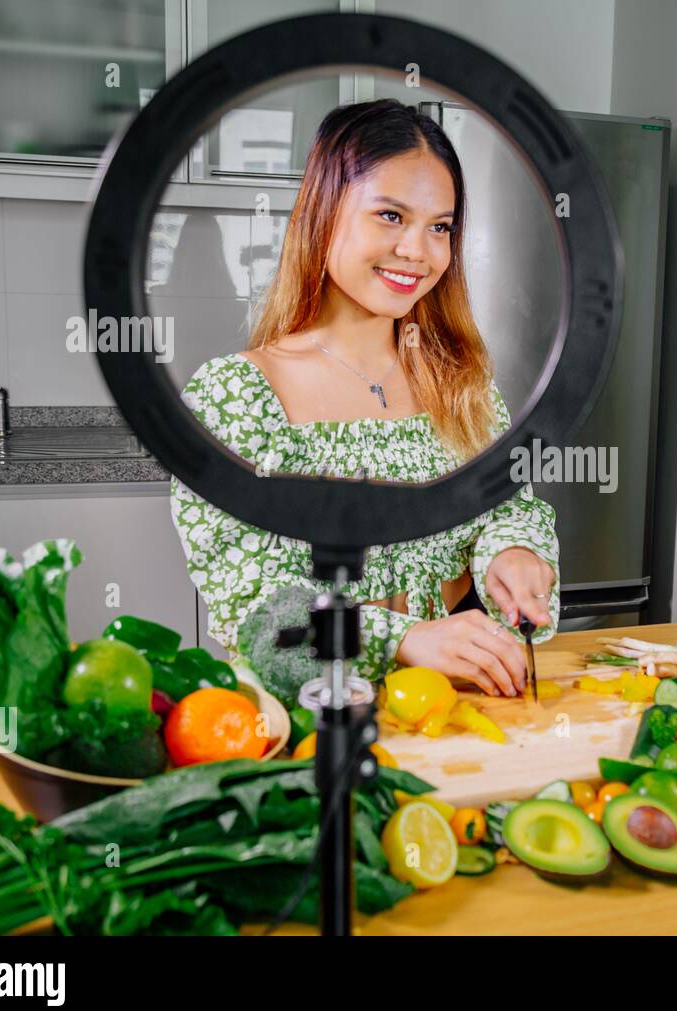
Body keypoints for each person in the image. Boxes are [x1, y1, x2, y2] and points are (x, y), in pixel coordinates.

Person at [169, 99, 560, 700]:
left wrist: (513, 551)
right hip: (308, 722)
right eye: (390, 215)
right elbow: (251, 600)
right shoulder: (235, 395)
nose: (418, 251)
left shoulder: (462, 382)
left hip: (452, 708)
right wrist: (404, 639)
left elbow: (507, 505)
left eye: (439, 226)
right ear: (323, 214)